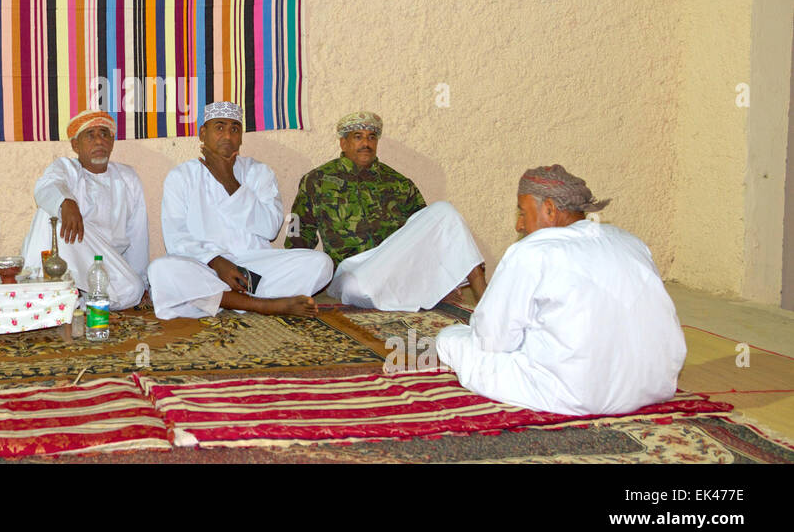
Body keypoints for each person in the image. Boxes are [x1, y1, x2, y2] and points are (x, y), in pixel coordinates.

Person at [435, 165, 687, 415]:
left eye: (523, 213)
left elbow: (492, 339)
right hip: (654, 385)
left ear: (549, 209)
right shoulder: (632, 243)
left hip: (573, 393)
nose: (519, 225)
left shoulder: (532, 252)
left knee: (451, 338)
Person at [147, 101, 333, 319]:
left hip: (253, 268)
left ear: (241, 137)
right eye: (219, 127)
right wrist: (217, 262)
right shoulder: (181, 176)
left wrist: (229, 181)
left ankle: (219, 300)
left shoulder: (259, 172)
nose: (227, 135)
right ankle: (265, 305)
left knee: (321, 264)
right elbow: (176, 237)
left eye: (234, 129)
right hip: (207, 267)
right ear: (202, 134)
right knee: (161, 270)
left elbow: (271, 229)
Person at [286, 110, 485, 310]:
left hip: (393, 266)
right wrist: (297, 282)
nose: (366, 143)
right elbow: (299, 230)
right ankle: (418, 293)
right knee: (357, 288)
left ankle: (483, 296)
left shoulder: (398, 183)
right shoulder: (317, 181)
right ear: (343, 143)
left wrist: (434, 276)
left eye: (372, 137)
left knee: (444, 210)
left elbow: (425, 239)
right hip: (350, 271)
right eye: (358, 137)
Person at [21, 110, 149, 308]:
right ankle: (41, 289)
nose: (99, 141)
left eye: (104, 134)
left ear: (112, 142)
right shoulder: (67, 168)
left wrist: (142, 280)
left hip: (107, 260)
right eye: (90, 135)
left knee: (133, 289)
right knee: (48, 214)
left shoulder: (127, 177)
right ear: (75, 145)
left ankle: (75, 301)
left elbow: (138, 234)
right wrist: (66, 202)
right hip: (73, 250)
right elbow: (47, 186)